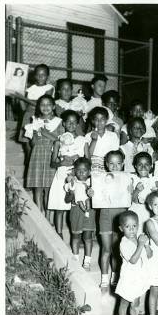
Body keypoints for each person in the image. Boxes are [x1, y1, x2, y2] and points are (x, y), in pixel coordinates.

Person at [48, 110, 88, 238]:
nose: (71, 124)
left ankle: (77, 234)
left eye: (74, 122)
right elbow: (52, 163)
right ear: (63, 123)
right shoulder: (58, 141)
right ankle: (59, 234)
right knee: (60, 208)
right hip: (62, 176)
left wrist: (78, 161)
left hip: (78, 177)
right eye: (68, 122)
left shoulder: (82, 140)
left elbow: (88, 161)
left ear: (78, 124)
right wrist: (62, 162)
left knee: (77, 208)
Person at [25, 95, 63, 214]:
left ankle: (48, 217)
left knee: (48, 188)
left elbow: (60, 140)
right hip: (37, 154)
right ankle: (39, 215)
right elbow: (33, 143)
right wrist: (36, 133)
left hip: (51, 154)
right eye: (42, 104)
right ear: (38, 107)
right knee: (38, 187)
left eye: (48, 104)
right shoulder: (35, 120)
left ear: (53, 106)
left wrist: (44, 132)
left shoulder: (58, 122)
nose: (45, 107)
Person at [97, 150, 128, 289]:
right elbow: (97, 197)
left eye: (118, 163)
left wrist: (132, 190)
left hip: (120, 216)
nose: (115, 167)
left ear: (123, 164)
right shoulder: (100, 179)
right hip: (105, 216)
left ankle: (115, 276)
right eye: (111, 163)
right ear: (106, 164)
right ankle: (104, 277)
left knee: (116, 250)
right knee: (106, 249)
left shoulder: (127, 178)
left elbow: (130, 198)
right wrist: (92, 193)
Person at [115, 211, 152, 315]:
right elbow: (133, 260)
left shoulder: (140, 239)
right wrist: (141, 245)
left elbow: (149, 255)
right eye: (127, 226)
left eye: (134, 226)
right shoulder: (124, 243)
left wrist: (147, 245)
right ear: (121, 229)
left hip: (139, 277)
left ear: (138, 226)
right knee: (124, 302)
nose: (131, 229)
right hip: (129, 278)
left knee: (136, 303)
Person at [18, 64, 55, 161]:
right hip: (28, 116)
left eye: (43, 75)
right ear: (34, 76)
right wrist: (19, 98)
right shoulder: (29, 89)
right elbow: (23, 108)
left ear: (48, 76)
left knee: (38, 143)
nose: (40, 77)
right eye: (38, 74)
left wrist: (23, 98)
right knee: (27, 145)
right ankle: (29, 165)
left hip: (42, 116)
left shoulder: (49, 88)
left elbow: (42, 103)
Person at [64, 157, 95, 270]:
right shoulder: (72, 183)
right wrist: (71, 193)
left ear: (89, 172)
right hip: (76, 211)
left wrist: (92, 195)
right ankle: (75, 259)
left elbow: (98, 199)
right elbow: (67, 200)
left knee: (88, 237)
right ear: (74, 171)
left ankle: (87, 261)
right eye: (78, 170)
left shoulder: (92, 183)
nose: (81, 172)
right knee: (76, 236)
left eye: (85, 170)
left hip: (89, 211)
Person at [129, 152, 158, 235]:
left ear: (151, 166)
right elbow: (132, 200)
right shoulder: (133, 179)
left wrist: (155, 193)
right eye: (140, 164)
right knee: (136, 234)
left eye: (146, 164)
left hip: (150, 212)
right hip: (136, 211)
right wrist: (137, 190)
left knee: (149, 233)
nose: (143, 167)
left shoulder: (153, 180)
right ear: (135, 166)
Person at [85, 107, 119, 172]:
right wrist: (94, 140)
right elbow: (88, 155)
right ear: (93, 121)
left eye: (102, 119)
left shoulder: (113, 136)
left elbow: (115, 154)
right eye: (96, 119)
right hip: (94, 166)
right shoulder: (88, 136)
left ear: (106, 120)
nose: (99, 122)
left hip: (109, 165)